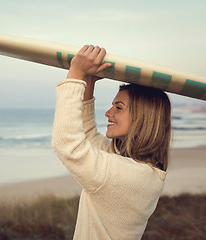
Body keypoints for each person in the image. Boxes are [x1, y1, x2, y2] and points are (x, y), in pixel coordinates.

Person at [52, 45, 171, 239]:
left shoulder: (128, 176)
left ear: (141, 117)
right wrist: (88, 82)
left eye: (119, 107)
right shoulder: (139, 170)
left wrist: (76, 74)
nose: (108, 113)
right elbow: (87, 135)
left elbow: (68, 145)